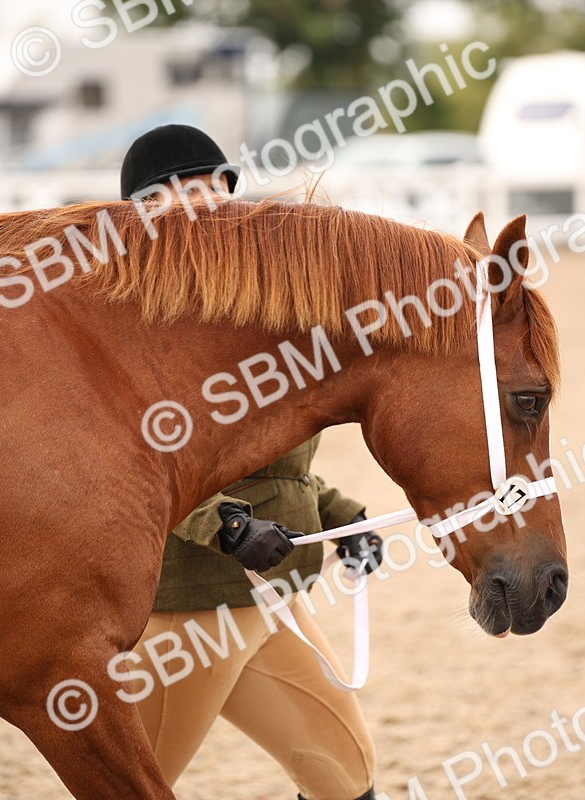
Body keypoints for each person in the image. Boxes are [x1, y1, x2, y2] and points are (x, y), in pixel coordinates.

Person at [120, 124, 383, 800]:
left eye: (222, 187)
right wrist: (229, 529)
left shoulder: (238, 315)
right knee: (130, 787)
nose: (218, 203)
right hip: (195, 603)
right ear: (149, 208)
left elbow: (267, 464)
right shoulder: (144, 325)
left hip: (270, 598)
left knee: (344, 772)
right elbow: (147, 465)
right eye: (195, 190)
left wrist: (341, 517)